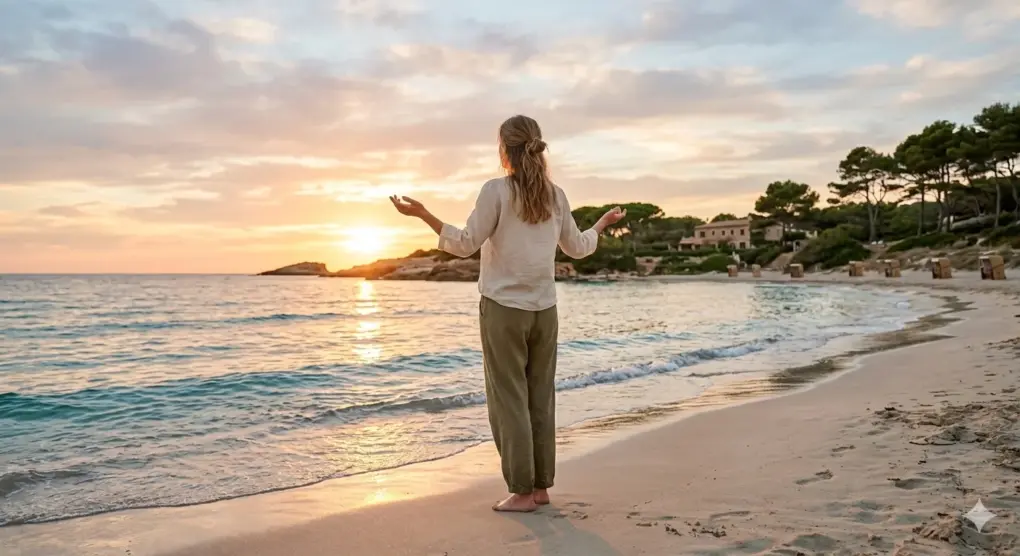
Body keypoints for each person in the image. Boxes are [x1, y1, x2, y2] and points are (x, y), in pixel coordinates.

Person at [389, 115, 625, 512]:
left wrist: (424, 215)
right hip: (545, 312)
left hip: (502, 310)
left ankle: (521, 492)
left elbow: (464, 244)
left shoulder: (496, 191)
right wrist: (601, 224)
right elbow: (578, 248)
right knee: (539, 397)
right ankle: (541, 487)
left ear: (504, 149)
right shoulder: (557, 195)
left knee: (509, 399)